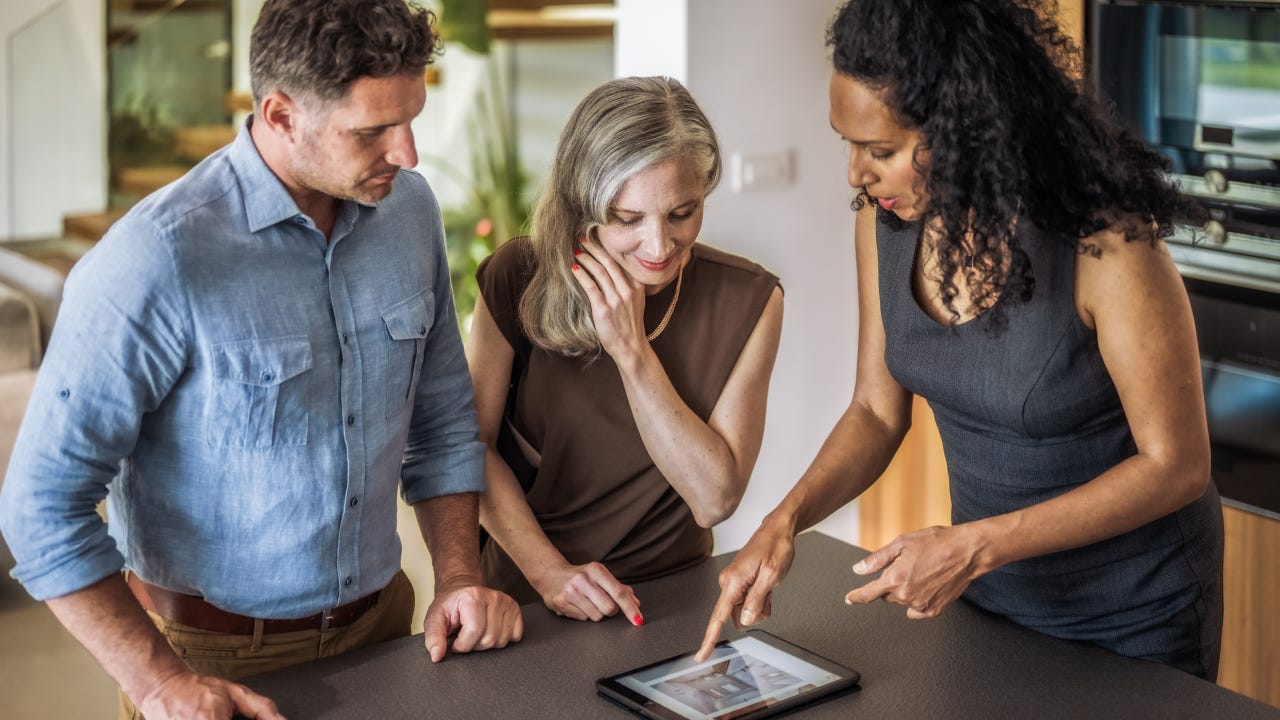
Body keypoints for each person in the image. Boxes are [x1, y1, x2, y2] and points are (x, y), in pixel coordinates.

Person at [0, 1, 522, 718]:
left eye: (411, 119)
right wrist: (160, 684)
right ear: (279, 115)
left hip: (387, 630)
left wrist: (460, 575)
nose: (408, 154)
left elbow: (441, 422)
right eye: (373, 130)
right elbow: (39, 508)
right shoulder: (158, 257)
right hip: (207, 663)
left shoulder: (410, 212)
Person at [698, 0, 1223, 680]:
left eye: (880, 150)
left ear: (966, 128)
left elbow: (1176, 465)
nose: (854, 174)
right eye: (847, 143)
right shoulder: (885, 223)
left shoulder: (1106, 248)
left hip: (1133, 614)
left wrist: (976, 546)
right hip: (989, 596)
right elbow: (875, 411)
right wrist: (783, 520)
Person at [466, 76, 784, 624]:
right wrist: (549, 574)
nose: (659, 248)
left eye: (682, 213)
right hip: (522, 602)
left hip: (668, 605)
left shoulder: (750, 299)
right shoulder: (515, 275)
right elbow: (469, 448)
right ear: (581, 208)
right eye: (629, 219)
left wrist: (631, 350)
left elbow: (714, 499)